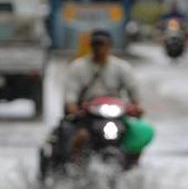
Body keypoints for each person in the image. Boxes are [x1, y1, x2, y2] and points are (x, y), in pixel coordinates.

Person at [54, 29, 150, 166]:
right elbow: (70, 97)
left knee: (136, 139)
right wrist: (74, 109)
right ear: (91, 46)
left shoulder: (121, 67)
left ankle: (133, 167)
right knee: (81, 137)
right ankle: (75, 166)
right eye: (96, 44)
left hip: (117, 115)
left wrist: (136, 108)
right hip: (87, 116)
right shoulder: (78, 67)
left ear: (109, 46)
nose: (99, 48)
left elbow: (134, 93)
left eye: (102, 44)